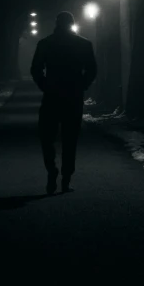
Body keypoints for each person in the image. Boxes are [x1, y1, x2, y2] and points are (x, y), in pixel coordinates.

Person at [31, 11, 97, 195]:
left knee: (47, 137)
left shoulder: (45, 43)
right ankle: (66, 179)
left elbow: (36, 69)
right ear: (72, 24)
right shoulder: (84, 44)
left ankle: (52, 171)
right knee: (70, 140)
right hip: (73, 96)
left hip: (52, 96)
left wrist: (45, 85)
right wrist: (82, 85)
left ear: (57, 24)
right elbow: (92, 69)